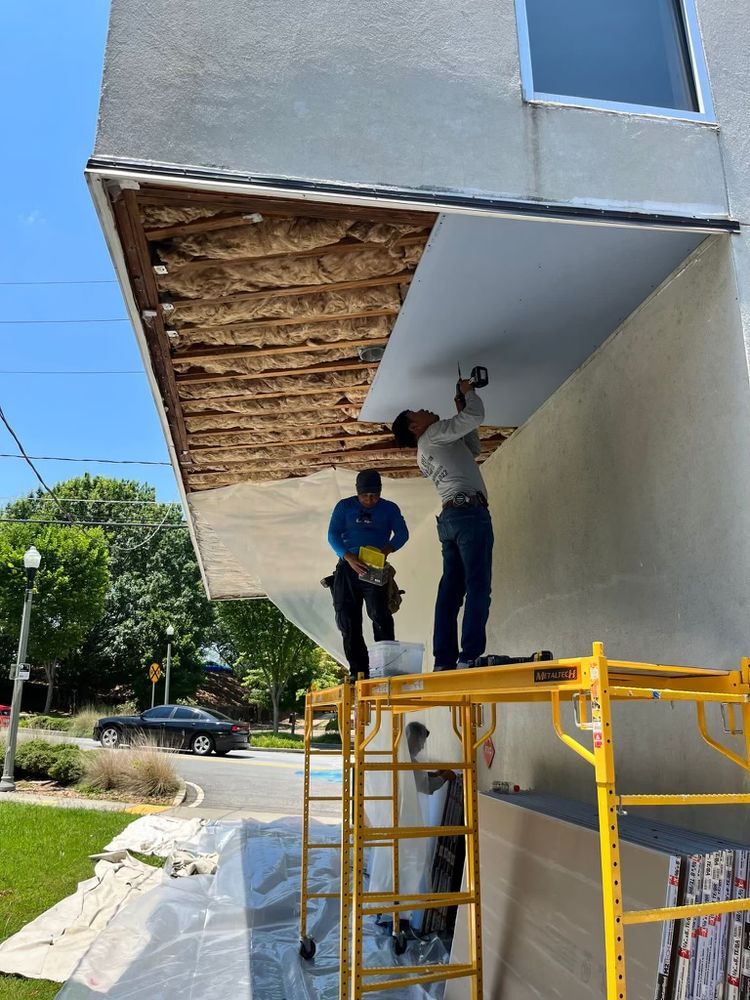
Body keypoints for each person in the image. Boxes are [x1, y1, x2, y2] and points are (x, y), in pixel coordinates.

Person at [391, 380, 493, 671]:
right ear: (414, 427)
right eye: (416, 412)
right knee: (478, 586)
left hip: (452, 519)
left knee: (451, 593)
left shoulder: (424, 452)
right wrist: (468, 392)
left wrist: (460, 412)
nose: (423, 409)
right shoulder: (434, 434)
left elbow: (470, 449)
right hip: (468, 515)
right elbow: (476, 416)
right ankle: (469, 655)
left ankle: (445, 661)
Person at [327, 469, 409, 681]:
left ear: (380, 491)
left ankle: (386, 668)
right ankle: (358, 672)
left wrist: (386, 550)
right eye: (365, 496)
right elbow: (332, 535)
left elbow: (402, 533)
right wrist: (347, 556)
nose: (370, 500)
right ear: (357, 492)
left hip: (375, 565)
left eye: (374, 495)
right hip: (348, 566)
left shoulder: (389, 509)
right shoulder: (344, 507)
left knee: (380, 615)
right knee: (348, 619)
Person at [405, 722, 455, 795]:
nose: (421, 747)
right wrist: (446, 776)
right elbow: (427, 787)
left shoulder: (403, 757)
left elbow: (417, 777)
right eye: (421, 742)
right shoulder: (409, 762)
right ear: (413, 739)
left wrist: (436, 774)